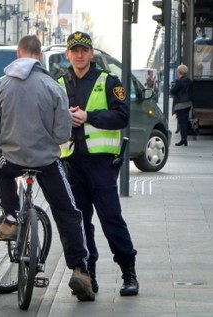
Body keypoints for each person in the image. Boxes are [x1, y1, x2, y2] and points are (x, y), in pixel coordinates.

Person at [0, 35, 95, 302]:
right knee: (68, 212)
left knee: (0, 171)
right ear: (40, 56)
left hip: (13, 158)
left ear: (18, 56)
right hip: (46, 161)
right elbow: (62, 133)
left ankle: (10, 219)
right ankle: (80, 270)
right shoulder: (52, 86)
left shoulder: (1, 85)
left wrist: (9, 137)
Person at [58, 31, 139, 296]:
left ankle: (128, 273)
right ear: (67, 54)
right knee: (80, 223)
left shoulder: (108, 81)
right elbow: (49, 118)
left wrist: (88, 115)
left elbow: (122, 116)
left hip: (101, 165)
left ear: (92, 53)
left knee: (111, 218)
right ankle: (87, 276)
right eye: (74, 51)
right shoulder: (58, 83)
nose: (79, 55)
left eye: (84, 50)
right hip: (72, 164)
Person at [170, 64, 194, 146]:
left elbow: (173, 91)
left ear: (179, 72)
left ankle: (183, 139)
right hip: (188, 103)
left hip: (180, 104)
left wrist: (173, 87)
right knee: (185, 120)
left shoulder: (179, 81)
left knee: (181, 122)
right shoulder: (189, 81)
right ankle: (184, 138)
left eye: (177, 71)